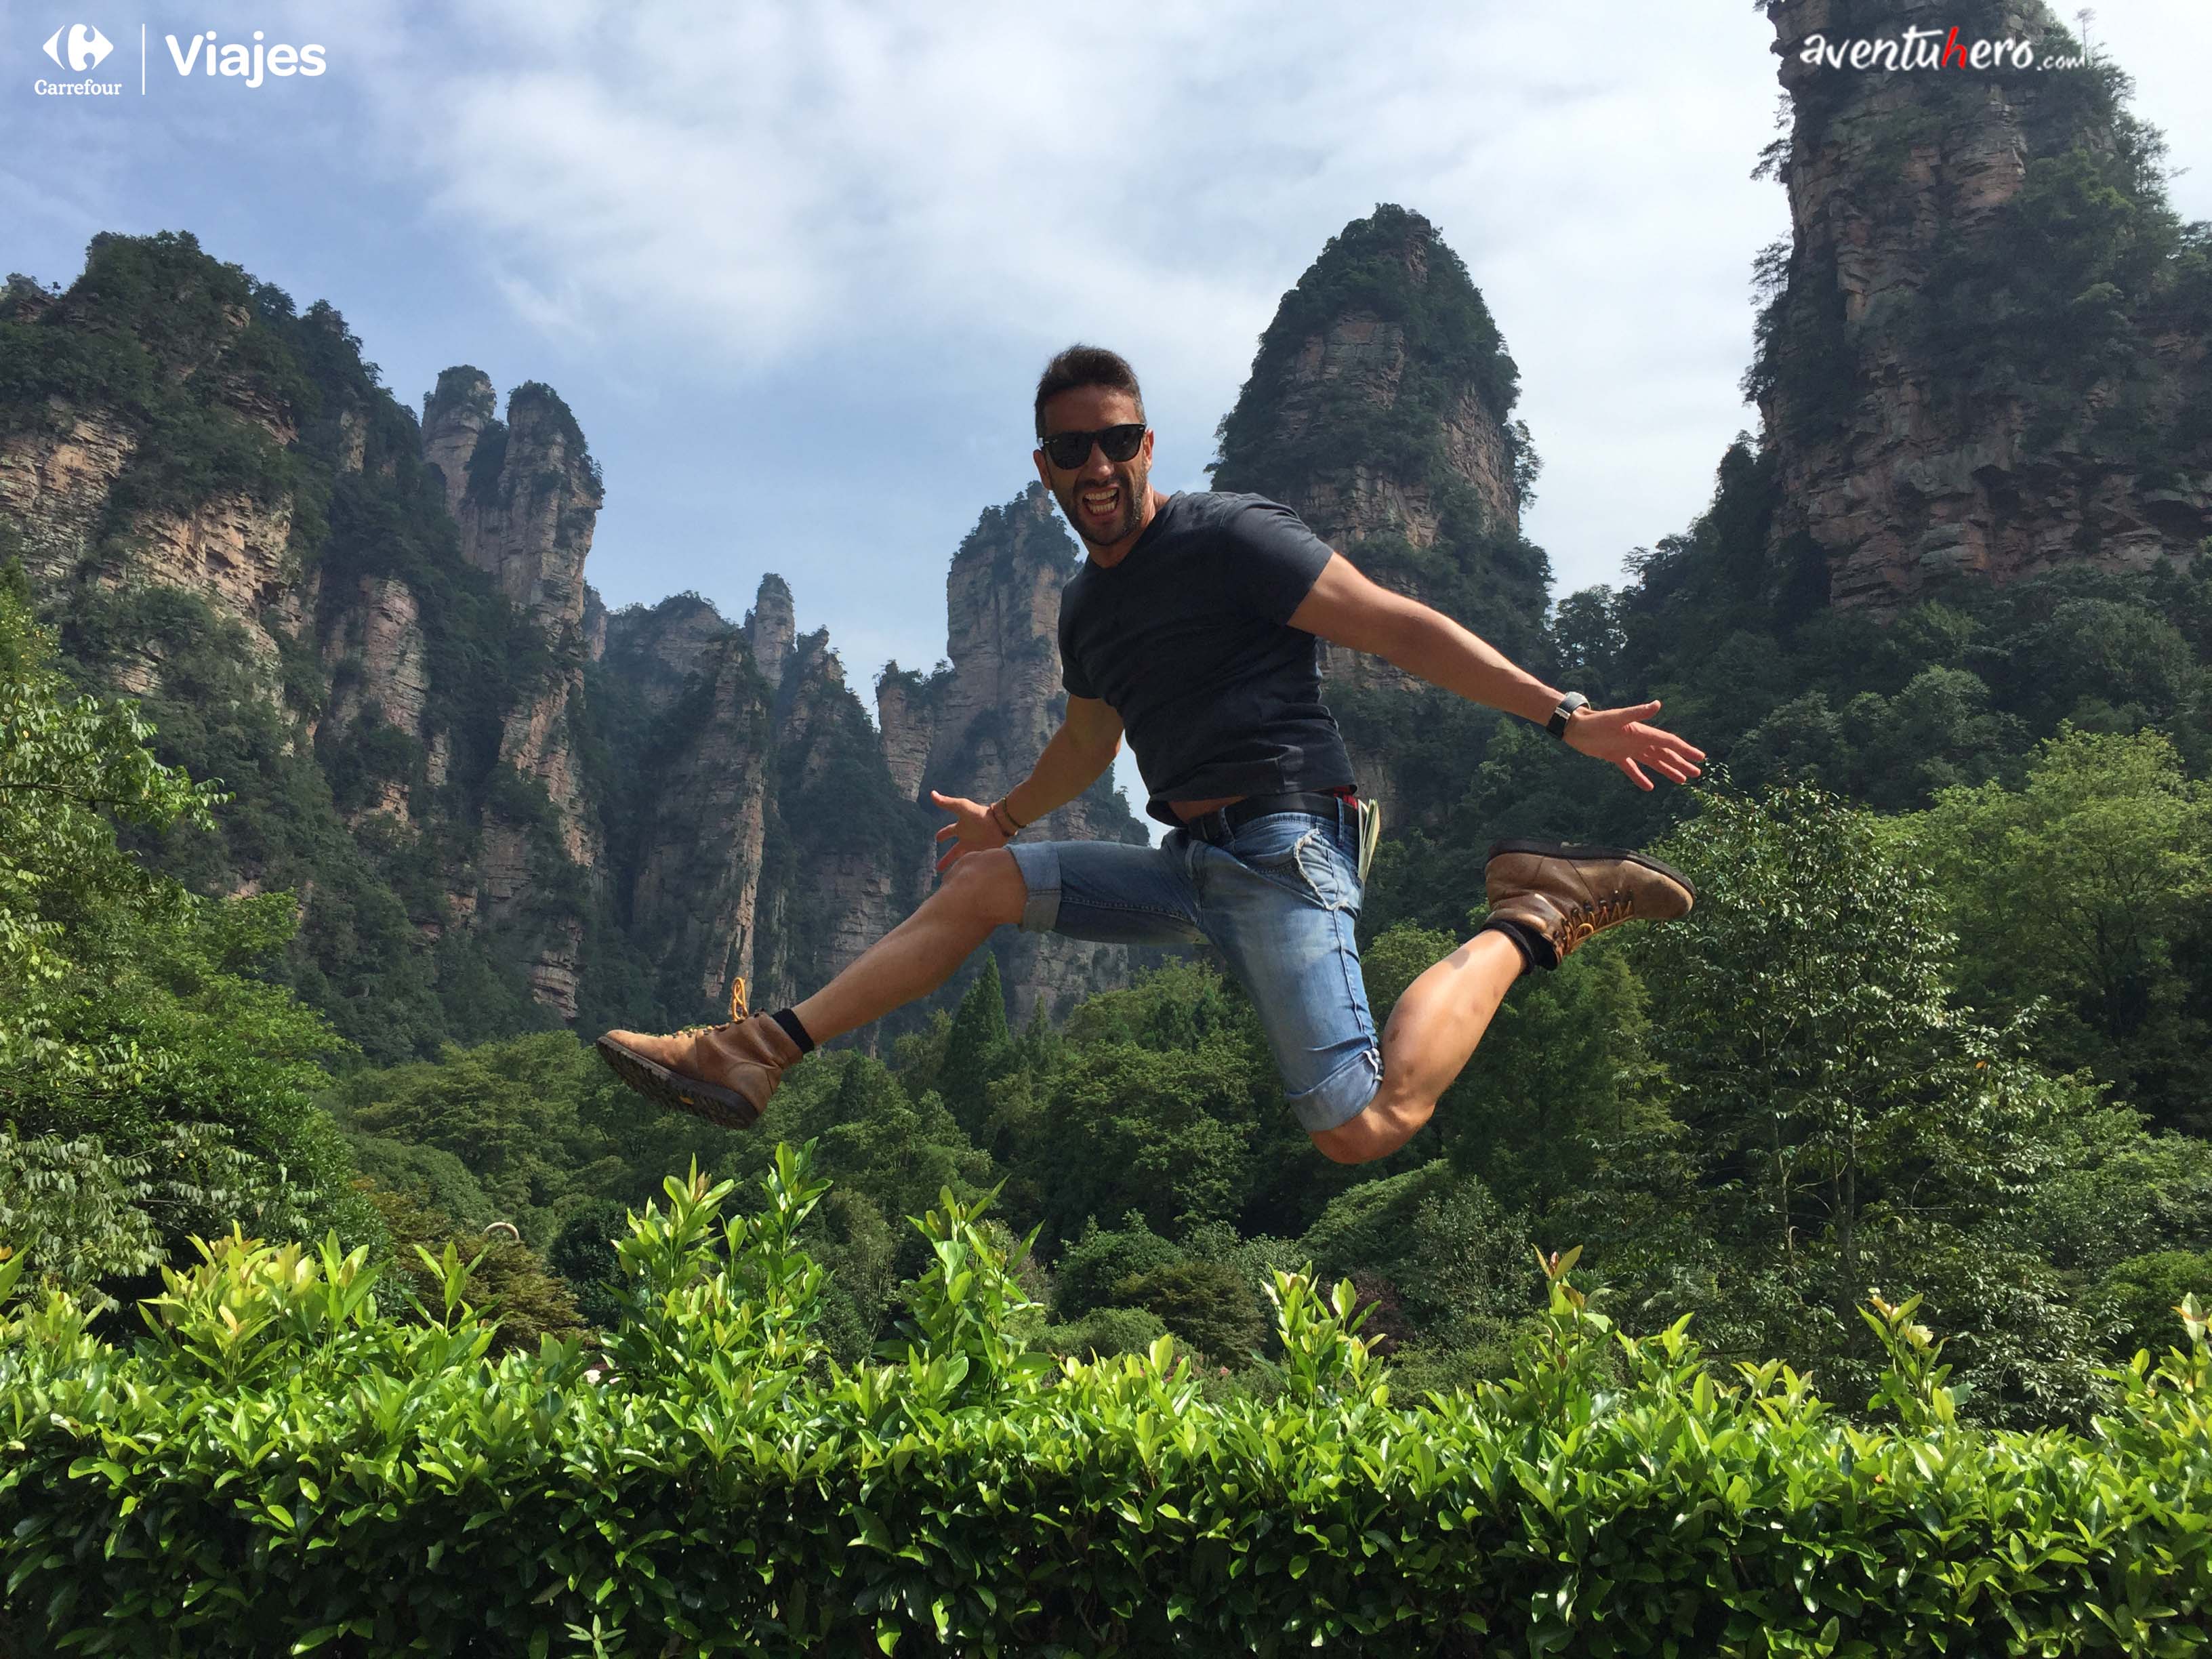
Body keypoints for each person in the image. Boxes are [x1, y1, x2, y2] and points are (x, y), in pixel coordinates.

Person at [598, 346, 1705, 1164]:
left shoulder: (1230, 536)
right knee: (982, 883)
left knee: (1362, 1125)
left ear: (1147, 445)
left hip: (1287, 846)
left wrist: (1564, 715)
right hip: (1191, 865)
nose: (1098, 465)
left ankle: (1531, 914)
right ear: (1045, 467)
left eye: (1117, 441)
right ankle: (755, 1051)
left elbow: (1394, 625)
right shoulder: (1085, 610)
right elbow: (1090, 740)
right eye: (1072, 449)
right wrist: (1006, 821)